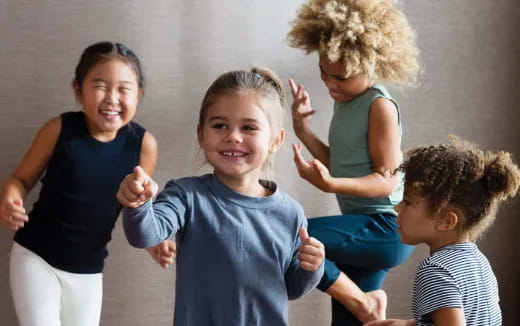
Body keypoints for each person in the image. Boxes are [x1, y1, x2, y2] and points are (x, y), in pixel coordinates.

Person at [117, 67, 325, 326]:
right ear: (201, 135)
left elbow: (291, 288)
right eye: (219, 125)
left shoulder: (290, 213)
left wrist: (312, 268)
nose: (233, 137)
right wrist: (138, 205)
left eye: (248, 127)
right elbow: (145, 234)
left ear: (275, 140)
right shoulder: (186, 196)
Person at [0, 41, 173, 326]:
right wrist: (10, 199)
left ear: (139, 94)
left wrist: (152, 241)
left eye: (124, 89)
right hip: (36, 257)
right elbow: (20, 179)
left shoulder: (144, 145)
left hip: (89, 270)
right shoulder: (59, 129)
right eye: (100, 86)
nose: (112, 98)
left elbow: (138, 208)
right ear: (78, 90)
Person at [286, 0, 420, 324]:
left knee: (288, 236)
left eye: (341, 78)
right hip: (364, 229)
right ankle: (364, 307)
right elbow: (341, 163)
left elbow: (386, 180)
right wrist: (302, 129)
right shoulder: (347, 101)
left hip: (385, 228)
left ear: (371, 65)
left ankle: (363, 303)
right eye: (324, 73)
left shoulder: (379, 107)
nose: (331, 85)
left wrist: (331, 184)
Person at [364, 137, 519, 326]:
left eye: (408, 202)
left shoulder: (436, 270)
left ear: (446, 221)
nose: (397, 208)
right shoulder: (479, 262)